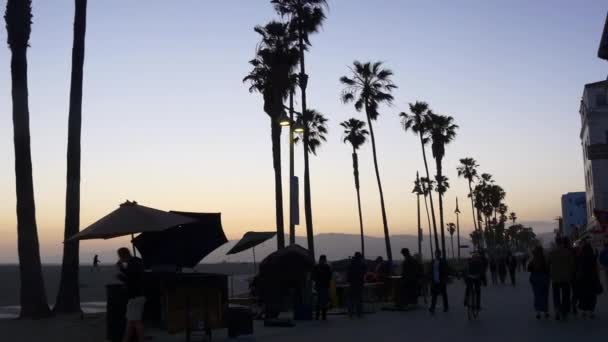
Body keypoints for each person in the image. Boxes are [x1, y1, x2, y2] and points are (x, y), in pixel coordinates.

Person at [117, 247, 145, 342]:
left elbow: (131, 279)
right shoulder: (136, 262)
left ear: (123, 255)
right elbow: (133, 276)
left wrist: (121, 273)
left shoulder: (132, 263)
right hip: (139, 295)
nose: (120, 258)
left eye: (120, 256)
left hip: (135, 296)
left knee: (135, 321)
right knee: (132, 321)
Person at [548, 237, 575, 320]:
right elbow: (572, 264)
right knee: (565, 295)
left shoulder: (552, 253)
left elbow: (548, 263)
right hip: (566, 277)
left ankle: (557, 311)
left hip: (555, 277)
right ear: (562, 243)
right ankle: (564, 312)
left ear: (556, 243)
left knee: (556, 295)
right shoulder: (568, 252)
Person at [576, 242, 601, 318]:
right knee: (592, 296)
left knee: (583, 295)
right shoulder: (593, 257)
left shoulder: (580, 256)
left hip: (583, 279)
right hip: (592, 279)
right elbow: (597, 268)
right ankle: (591, 312)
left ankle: (583, 311)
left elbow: (578, 268)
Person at [528, 246, 550, 319]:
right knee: (544, 295)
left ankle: (538, 312)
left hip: (535, 278)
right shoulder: (545, 258)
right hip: (544, 278)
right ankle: (545, 311)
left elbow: (529, 268)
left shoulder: (533, 259)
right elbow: (548, 268)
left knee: (537, 295)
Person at [312, 255, 333, 320]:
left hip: (320, 285)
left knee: (320, 301)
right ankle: (323, 315)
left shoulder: (317, 267)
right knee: (323, 301)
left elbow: (313, 276)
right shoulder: (327, 267)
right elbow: (330, 276)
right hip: (324, 285)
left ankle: (318, 315)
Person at [429, 250, 449, 314]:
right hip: (434, 280)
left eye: (438, 253)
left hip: (441, 280)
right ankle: (432, 307)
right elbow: (430, 270)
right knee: (434, 294)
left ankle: (446, 307)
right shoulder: (433, 261)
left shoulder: (443, 261)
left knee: (443, 294)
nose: (437, 254)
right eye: (436, 253)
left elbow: (446, 270)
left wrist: (445, 278)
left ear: (440, 254)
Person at [347, 252, 366, 318]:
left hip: (352, 283)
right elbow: (364, 272)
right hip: (359, 283)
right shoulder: (361, 264)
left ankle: (350, 313)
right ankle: (359, 313)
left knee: (351, 299)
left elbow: (348, 273)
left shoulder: (351, 263)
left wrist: (349, 281)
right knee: (358, 299)